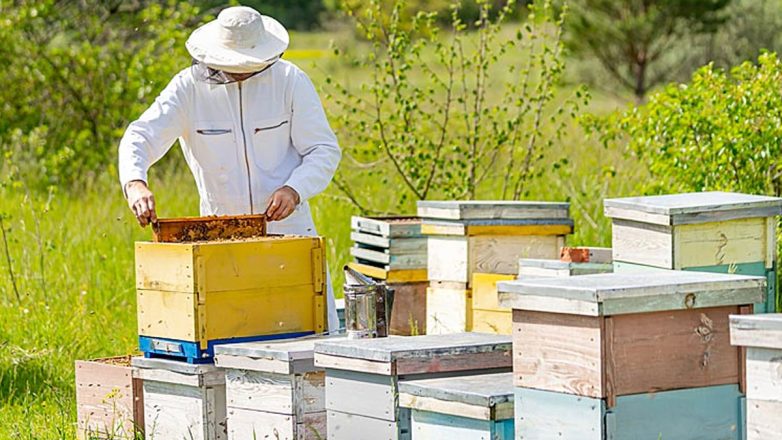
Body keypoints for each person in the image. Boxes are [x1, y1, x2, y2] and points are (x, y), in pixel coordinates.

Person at [118, 6, 341, 330]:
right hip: (221, 237)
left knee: (306, 335)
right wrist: (135, 182)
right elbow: (140, 136)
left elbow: (323, 149)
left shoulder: (290, 81)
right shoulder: (187, 89)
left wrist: (295, 189)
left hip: (289, 231)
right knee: (233, 337)